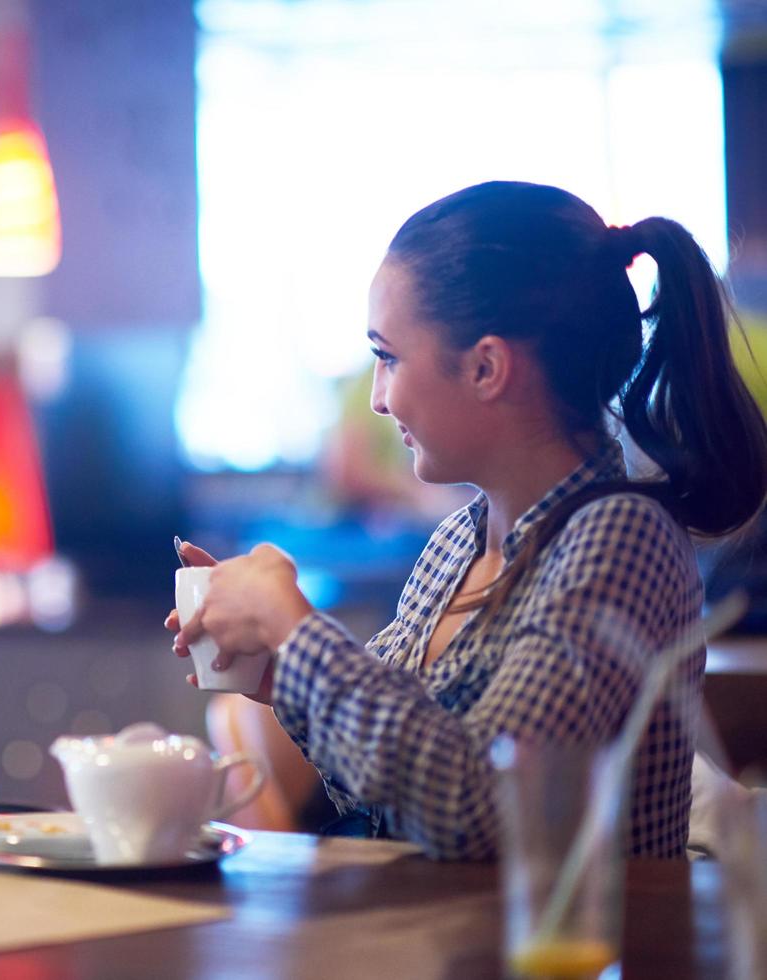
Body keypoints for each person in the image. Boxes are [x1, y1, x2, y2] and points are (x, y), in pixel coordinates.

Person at [172, 181, 767, 859]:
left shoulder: (618, 536)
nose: (375, 397)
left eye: (388, 357)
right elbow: (393, 794)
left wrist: (292, 625)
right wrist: (277, 674)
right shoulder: (457, 541)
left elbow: (479, 809)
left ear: (486, 367)